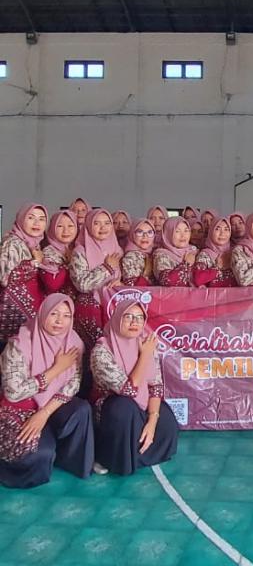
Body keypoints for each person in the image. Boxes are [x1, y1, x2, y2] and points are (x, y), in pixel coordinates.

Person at [0, 294, 93, 487]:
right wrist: (56, 370)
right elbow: (13, 392)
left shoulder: (73, 343)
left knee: (81, 409)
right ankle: (47, 449)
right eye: (54, 314)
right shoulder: (19, 344)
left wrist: (44, 413)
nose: (60, 321)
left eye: (66, 315)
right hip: (21, 407)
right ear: (43, 313)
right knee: (37, 455)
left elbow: (73, 384)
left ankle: (71, 460)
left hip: (51, 404)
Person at [90, 299, 178, 476]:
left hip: (140, 402)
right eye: (128, 317)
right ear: (117, 319)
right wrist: (144, 355)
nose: (134, 322)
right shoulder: (102, 350)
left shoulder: (145, 344)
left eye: (139, 318)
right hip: (111, 407)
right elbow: (129, 390)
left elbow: (155, 386)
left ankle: (138, 457)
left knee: (165, 416)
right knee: (124, 408)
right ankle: (109, 458)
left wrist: (152, 420)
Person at [69, 208, 121, 350]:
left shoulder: (117, 249)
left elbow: (120, 277)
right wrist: (107, 268)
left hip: (113, 306)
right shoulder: (80, 252)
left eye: (107, 223)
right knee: (95, 350)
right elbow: (82, 284)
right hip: (91, 309)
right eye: (97, 223)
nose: (103, 227)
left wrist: (119, 284)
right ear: (88, 226)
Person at [0, 203, 48, 341]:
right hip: (10, 313)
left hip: (26, 310)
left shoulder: (34, 243)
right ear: (21, 219)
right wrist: (35, 262)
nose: (37, 223)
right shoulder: (12, 243)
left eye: (42, 219)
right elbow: (5, 279)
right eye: (31, 218)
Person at [39, 210, 78, 298]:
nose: (66, 231)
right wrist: (68, 264)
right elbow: (53, 285)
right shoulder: (48, 252)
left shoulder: (80, 249)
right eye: (60, 226)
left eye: (70, 226)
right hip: (57, 303)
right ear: (52, 228)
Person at [153, 217, 197, 286]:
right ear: (168, 233)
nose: (183, 235)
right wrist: (186, 264)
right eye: (177, 231)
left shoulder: (193, 251)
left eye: (186, 231)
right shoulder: (161, 255)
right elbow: (167, 281)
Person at [193, 216, 235, 287]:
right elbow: (198, 280)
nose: (222, 233)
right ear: (211, 231)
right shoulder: (204, 255)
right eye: (217, 229)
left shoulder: (234, 252)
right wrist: (217, 267)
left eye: (226, 229)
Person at [121, 219, 156, 287]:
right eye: (140, 232)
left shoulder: (155, 253)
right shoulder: (130, 257)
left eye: (150, 232)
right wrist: (146, 274)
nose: (145, 236)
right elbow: (132, 287)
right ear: (132, 234)